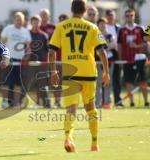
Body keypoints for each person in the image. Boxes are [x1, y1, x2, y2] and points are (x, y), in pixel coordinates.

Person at [49, 0, 110, 152]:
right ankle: (95, 144)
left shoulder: (61, 26)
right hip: (89, 73)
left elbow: (51, 51)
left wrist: (53, 71)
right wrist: (107, 72)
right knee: (91, 108)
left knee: (71, 109)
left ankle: (68, 138)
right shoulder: (93, 27)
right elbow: (102, 51)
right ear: (84, 10)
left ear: (71, 9)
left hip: (70, 74)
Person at [118, 9, 149, 107]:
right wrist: (120, 59)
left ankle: (146, 101)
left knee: (143, 80)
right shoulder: (122, 30)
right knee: (129, 81)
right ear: (125, 17)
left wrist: (136, 46)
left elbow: (146, 42)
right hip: (127, 59)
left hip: (140, 58)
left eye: (131, 15)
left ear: (134, 16)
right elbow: (119, 46)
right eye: (127, 15)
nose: (129, 17)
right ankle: (131, 102)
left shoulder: (140, 28)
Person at [1, 12, 31, 107]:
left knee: (18, 83)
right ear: (14, 20)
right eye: (17, 19)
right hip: (8, 59)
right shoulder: (7, 29)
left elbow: (28, 46)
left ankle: (16, 102)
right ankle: (4, 102)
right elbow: (2, 44)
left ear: (23, 21)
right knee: (6, 82)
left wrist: (27, 56)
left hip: (20, 60)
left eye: (20, 19)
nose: (19, 21)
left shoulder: (25, 31)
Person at [29, 15, 50, 108]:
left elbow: (48, 50)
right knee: (33, 84)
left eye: (37, 22)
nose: (35, 24)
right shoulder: (27, 34)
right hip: (30, 63)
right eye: (34, 22)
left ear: (40, 23)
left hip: (42, 63)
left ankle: (46, 103)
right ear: (31, 23)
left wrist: (48, 63)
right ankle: (36, 102)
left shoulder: (44, 36)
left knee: (42, 84)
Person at [97, 18, 117, 109]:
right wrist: (104, 47)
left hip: (109, 61)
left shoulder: (109, 35)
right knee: (98, 83)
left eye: (104, 24)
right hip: (98, 61)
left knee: (108, 82)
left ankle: (107, 102)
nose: (103, 25)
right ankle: (98, 102)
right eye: (100, 24)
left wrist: (104, 47)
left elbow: (114, 44)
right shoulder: (96, 35)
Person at [105, 9, 123, 107]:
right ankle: (106, 100)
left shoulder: (119, 28)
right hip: (105, 56)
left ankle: (118, 100)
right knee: (105, 79)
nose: (110, 16)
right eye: (108, 15)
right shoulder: (104, 27)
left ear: (115, 16)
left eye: (111, 14)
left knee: (117, 79)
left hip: (116, 56)